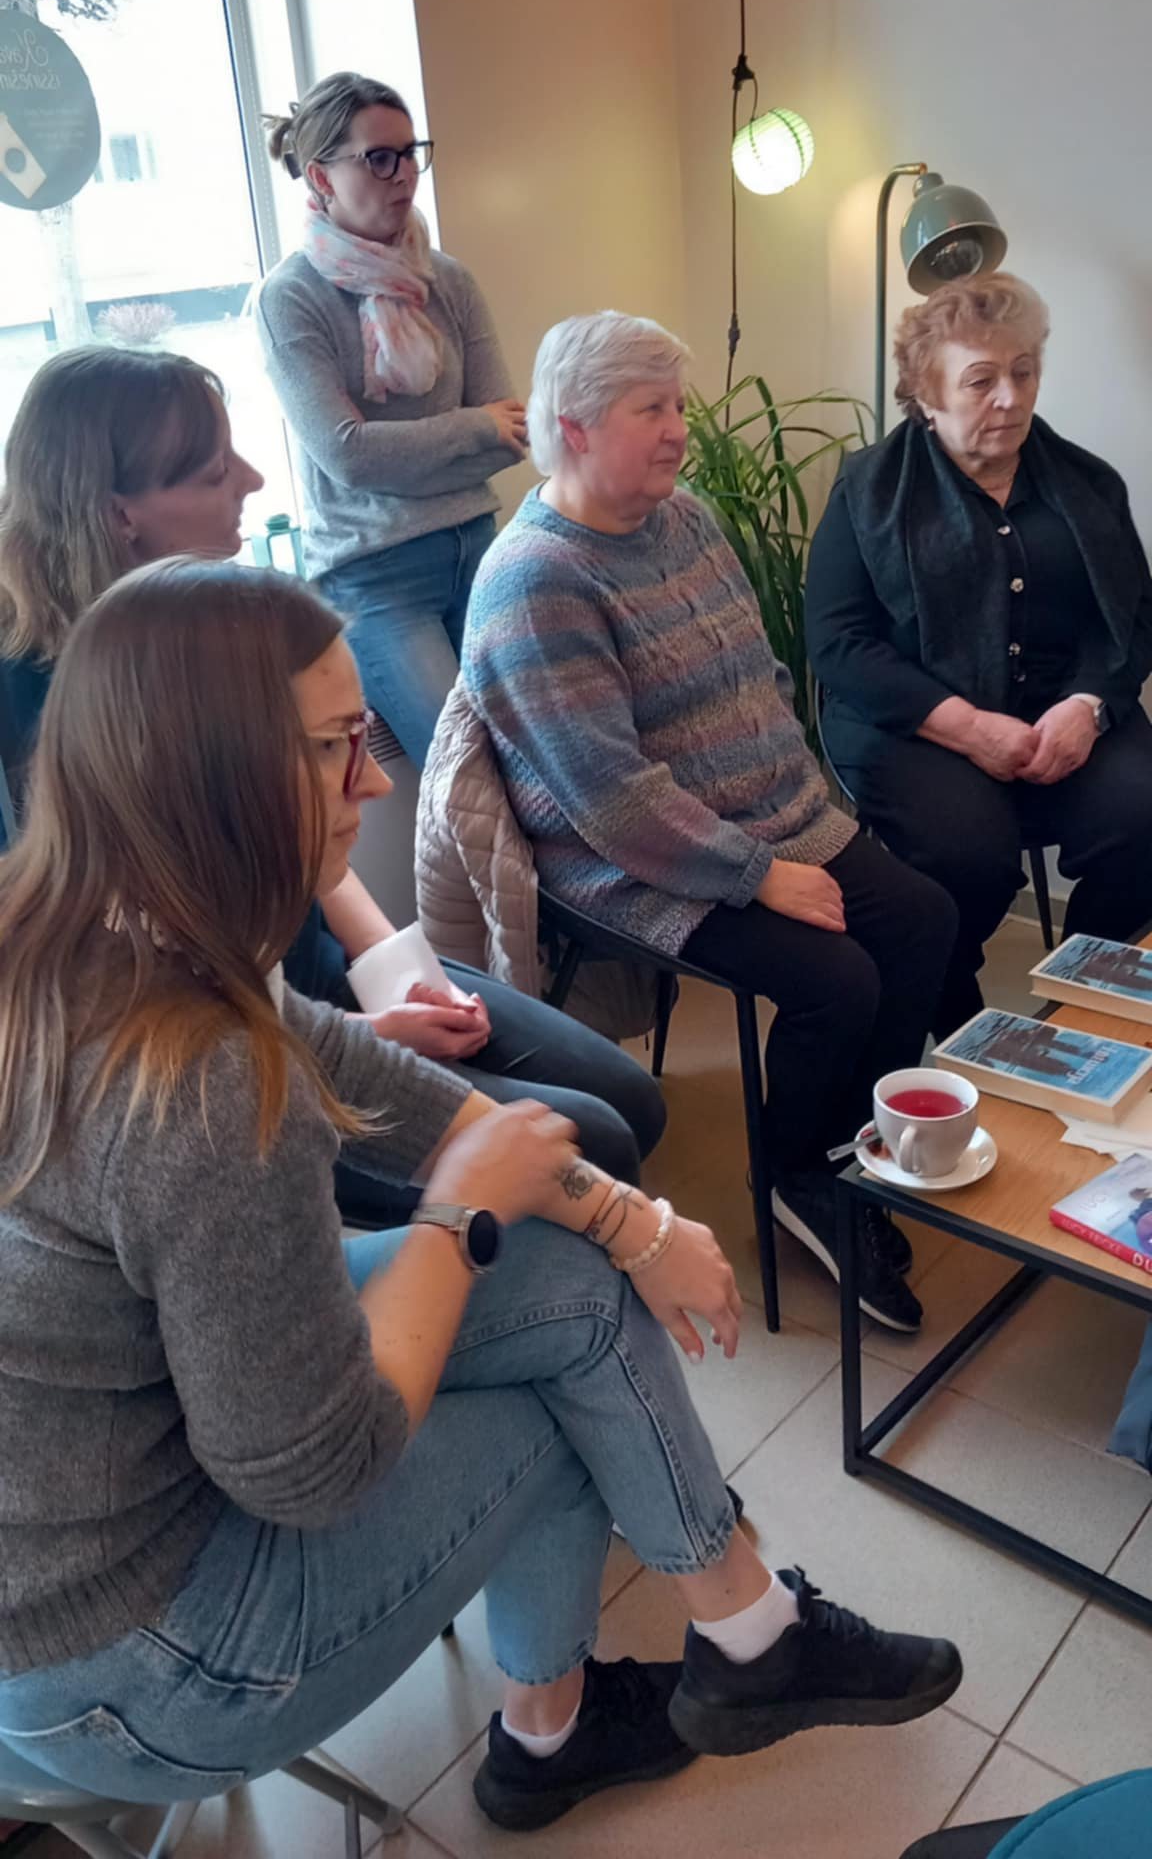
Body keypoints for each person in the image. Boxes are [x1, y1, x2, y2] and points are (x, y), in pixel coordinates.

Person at [0, 561, 963, 1829]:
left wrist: (634, 1220)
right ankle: (623, 1698)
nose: (375, 783)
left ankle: (730, 1642)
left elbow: (361, 1066)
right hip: (130, 1659)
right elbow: (316, 1467)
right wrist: (456, 1214)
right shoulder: (199, 1083)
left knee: (575, 1274)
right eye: (341, 746)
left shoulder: (100, 922)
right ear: (221, 776)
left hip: (114, 1474)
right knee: (566, 1404)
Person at [0, 348, 665, 1197]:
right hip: (226, 1044)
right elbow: (126, 1003)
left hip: (318, 978)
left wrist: (397, 971)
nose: (252, 480)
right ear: (119, 514)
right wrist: (367, 1038)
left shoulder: (226, 623)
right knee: (592, 1143)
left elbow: (318, 842)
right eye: (214, 473)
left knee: (628, 1100)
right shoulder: (28, 706)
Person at [462, 311, 960, 1335]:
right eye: (652, 409)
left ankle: (850, 1143)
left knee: (924, 919)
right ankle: (796, 1176)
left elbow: (759, 675)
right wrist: (758, 874)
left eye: (677, 404)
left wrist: (800, 816)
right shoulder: (535, 580)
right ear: (575, 428)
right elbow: (611, 800)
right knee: (838, 980)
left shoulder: (682, 518)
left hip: (768, 816)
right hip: (627, 862)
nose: (679, 429)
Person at [807, 273, 1152, 1035]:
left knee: (1143, 816)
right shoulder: (867, 492)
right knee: (967, 856)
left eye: (1024, 373)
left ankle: (1084, 1014)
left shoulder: (1087, 483)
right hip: (916, 723)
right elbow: (839, 644)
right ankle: (959, 1022)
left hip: (1062, 712)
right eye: (982, 380)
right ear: (926, 397)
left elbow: (1130, 616)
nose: (1010, 397)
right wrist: (966, 727)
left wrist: (1087, 707)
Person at [257, 71, 526, 766]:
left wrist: (407, 454)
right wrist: (472, 428)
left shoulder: (447, 278)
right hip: (376, 577)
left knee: (539, 752)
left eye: (410, 152)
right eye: (379, 157)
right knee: (469, 772)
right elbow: (349, 456)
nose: (404, 173)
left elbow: (513, 435)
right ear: (321, 177)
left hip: (480, 547)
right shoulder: (289, 298)